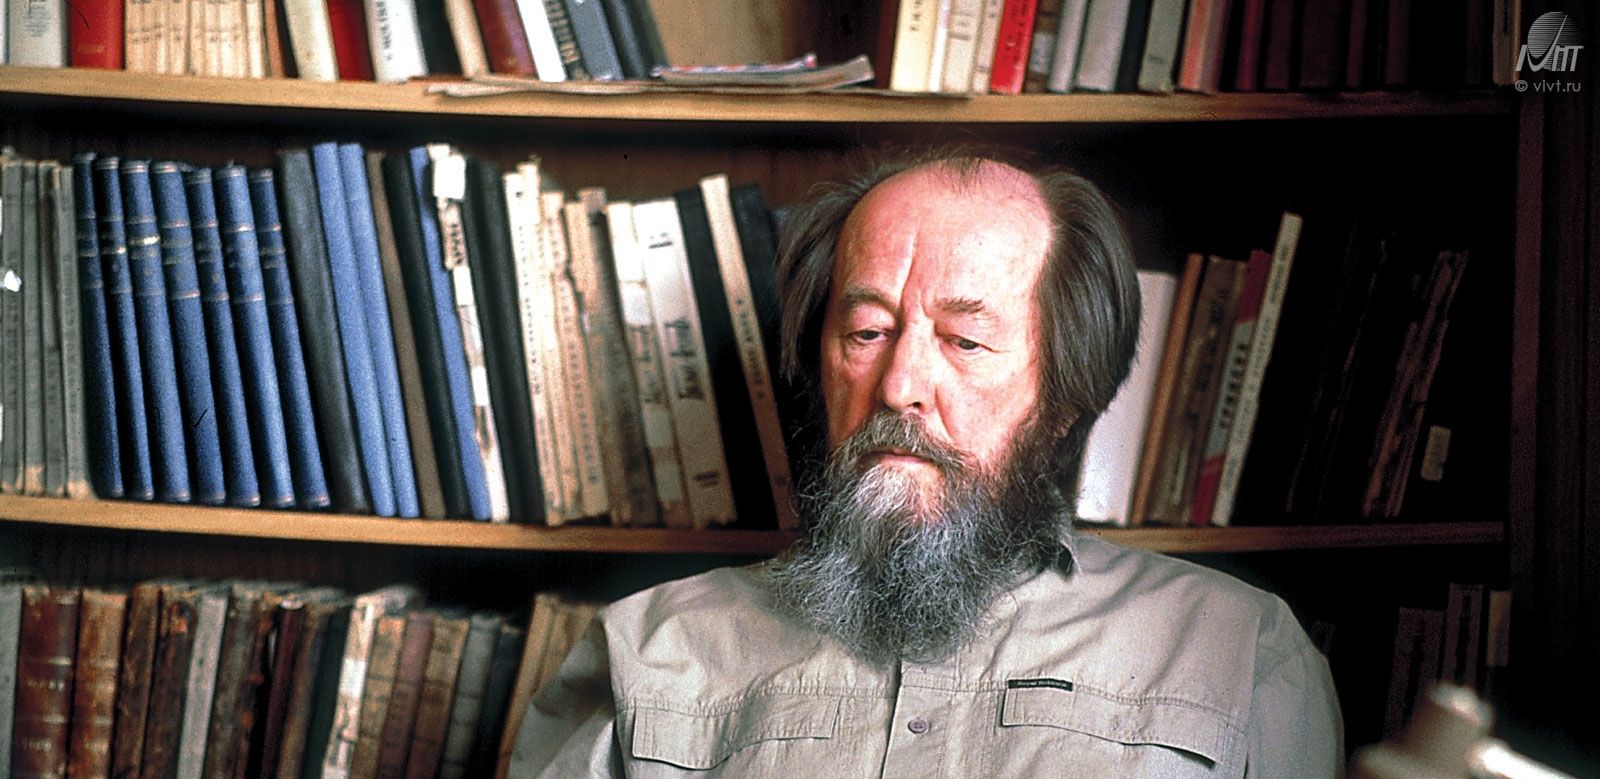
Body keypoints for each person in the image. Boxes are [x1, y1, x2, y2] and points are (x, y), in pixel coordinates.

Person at [509, 147, 1343, 777]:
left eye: (965, 340)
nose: (898, 384)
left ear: (1065, 396)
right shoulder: (648, 651)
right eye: (866, 331)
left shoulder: (1240, 653)